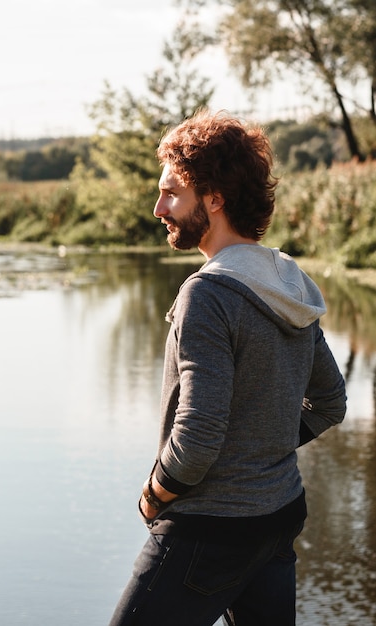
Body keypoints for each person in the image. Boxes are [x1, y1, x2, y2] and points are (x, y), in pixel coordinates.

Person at [109, 109, 347, 626]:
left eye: (172, 193)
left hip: (206, 527)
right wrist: (265, 451)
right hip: (277, 518)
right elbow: (330, 403)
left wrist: (155, 493)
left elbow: (197, 437)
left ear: (213, 199)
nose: (158, 208)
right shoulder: (288, 281)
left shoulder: (207, 293)